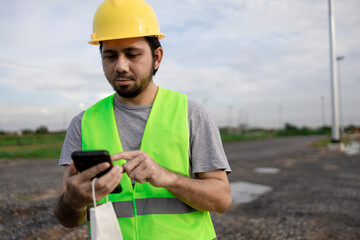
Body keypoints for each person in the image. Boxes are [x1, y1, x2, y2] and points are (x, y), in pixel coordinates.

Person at [54, 0, 232, 239]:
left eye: (132, 54)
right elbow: (67, 219)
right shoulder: (83, 122)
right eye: (110, 56)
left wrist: (167, 178)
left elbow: (221, 199)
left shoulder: (190, 113)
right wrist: (74, 201)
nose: (120, 66)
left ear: (156, 57)